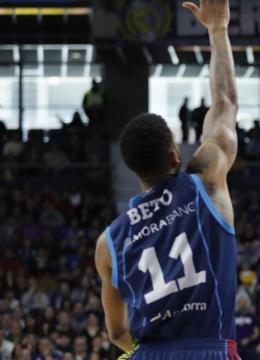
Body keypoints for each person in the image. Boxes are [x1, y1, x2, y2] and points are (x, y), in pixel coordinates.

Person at [94, 0, 240, 358]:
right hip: (210, 350)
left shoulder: (108, 242)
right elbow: (224, 105)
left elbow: (116, 332)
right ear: (175, 156)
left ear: (133, 168)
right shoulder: (205, 183)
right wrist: (217, 29)